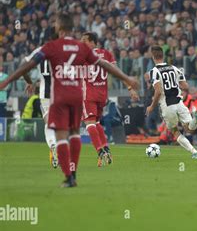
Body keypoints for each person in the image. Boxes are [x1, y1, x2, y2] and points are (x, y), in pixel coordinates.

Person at [0, 13, 139, 187]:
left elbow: (26, 66)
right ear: (72, 28)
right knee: (74, 134)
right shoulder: (81, 48)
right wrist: (128, 79)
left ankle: (69, 177)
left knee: (61, 135)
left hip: (59, 95)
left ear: (59, 28)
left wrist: (7, 80)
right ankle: (73, 172)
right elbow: (104, 65)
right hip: (76, 94)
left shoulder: (51, 46)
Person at [81, 32, 138, 167]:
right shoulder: (107, 54)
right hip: (102, 95)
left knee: (89, 123)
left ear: (92, 42)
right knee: (97, 122)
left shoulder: (82, 55)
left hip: (88, 94)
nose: (82, 43)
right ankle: (106, 147)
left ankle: (100, 151)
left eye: (84, 40)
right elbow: (116, 72)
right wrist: (130, 88)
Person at [145, 45, 197, 159]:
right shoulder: (174, 68)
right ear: (163, 55)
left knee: (175, 131)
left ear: (153, 57)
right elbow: (185, 86)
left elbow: (158, 91)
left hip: (167, 105)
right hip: (179, 102)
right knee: (189, 129)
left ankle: (194, 152)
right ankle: (196, 118)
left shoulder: (154, 71)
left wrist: (151, 106)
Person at [23, 35, 58, 167]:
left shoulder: (40, 50)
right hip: (62, 91)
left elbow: (24, 68)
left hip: (45, 93)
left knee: (48, 123)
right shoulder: (65, 49)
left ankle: (53, 145)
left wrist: (29, 82)